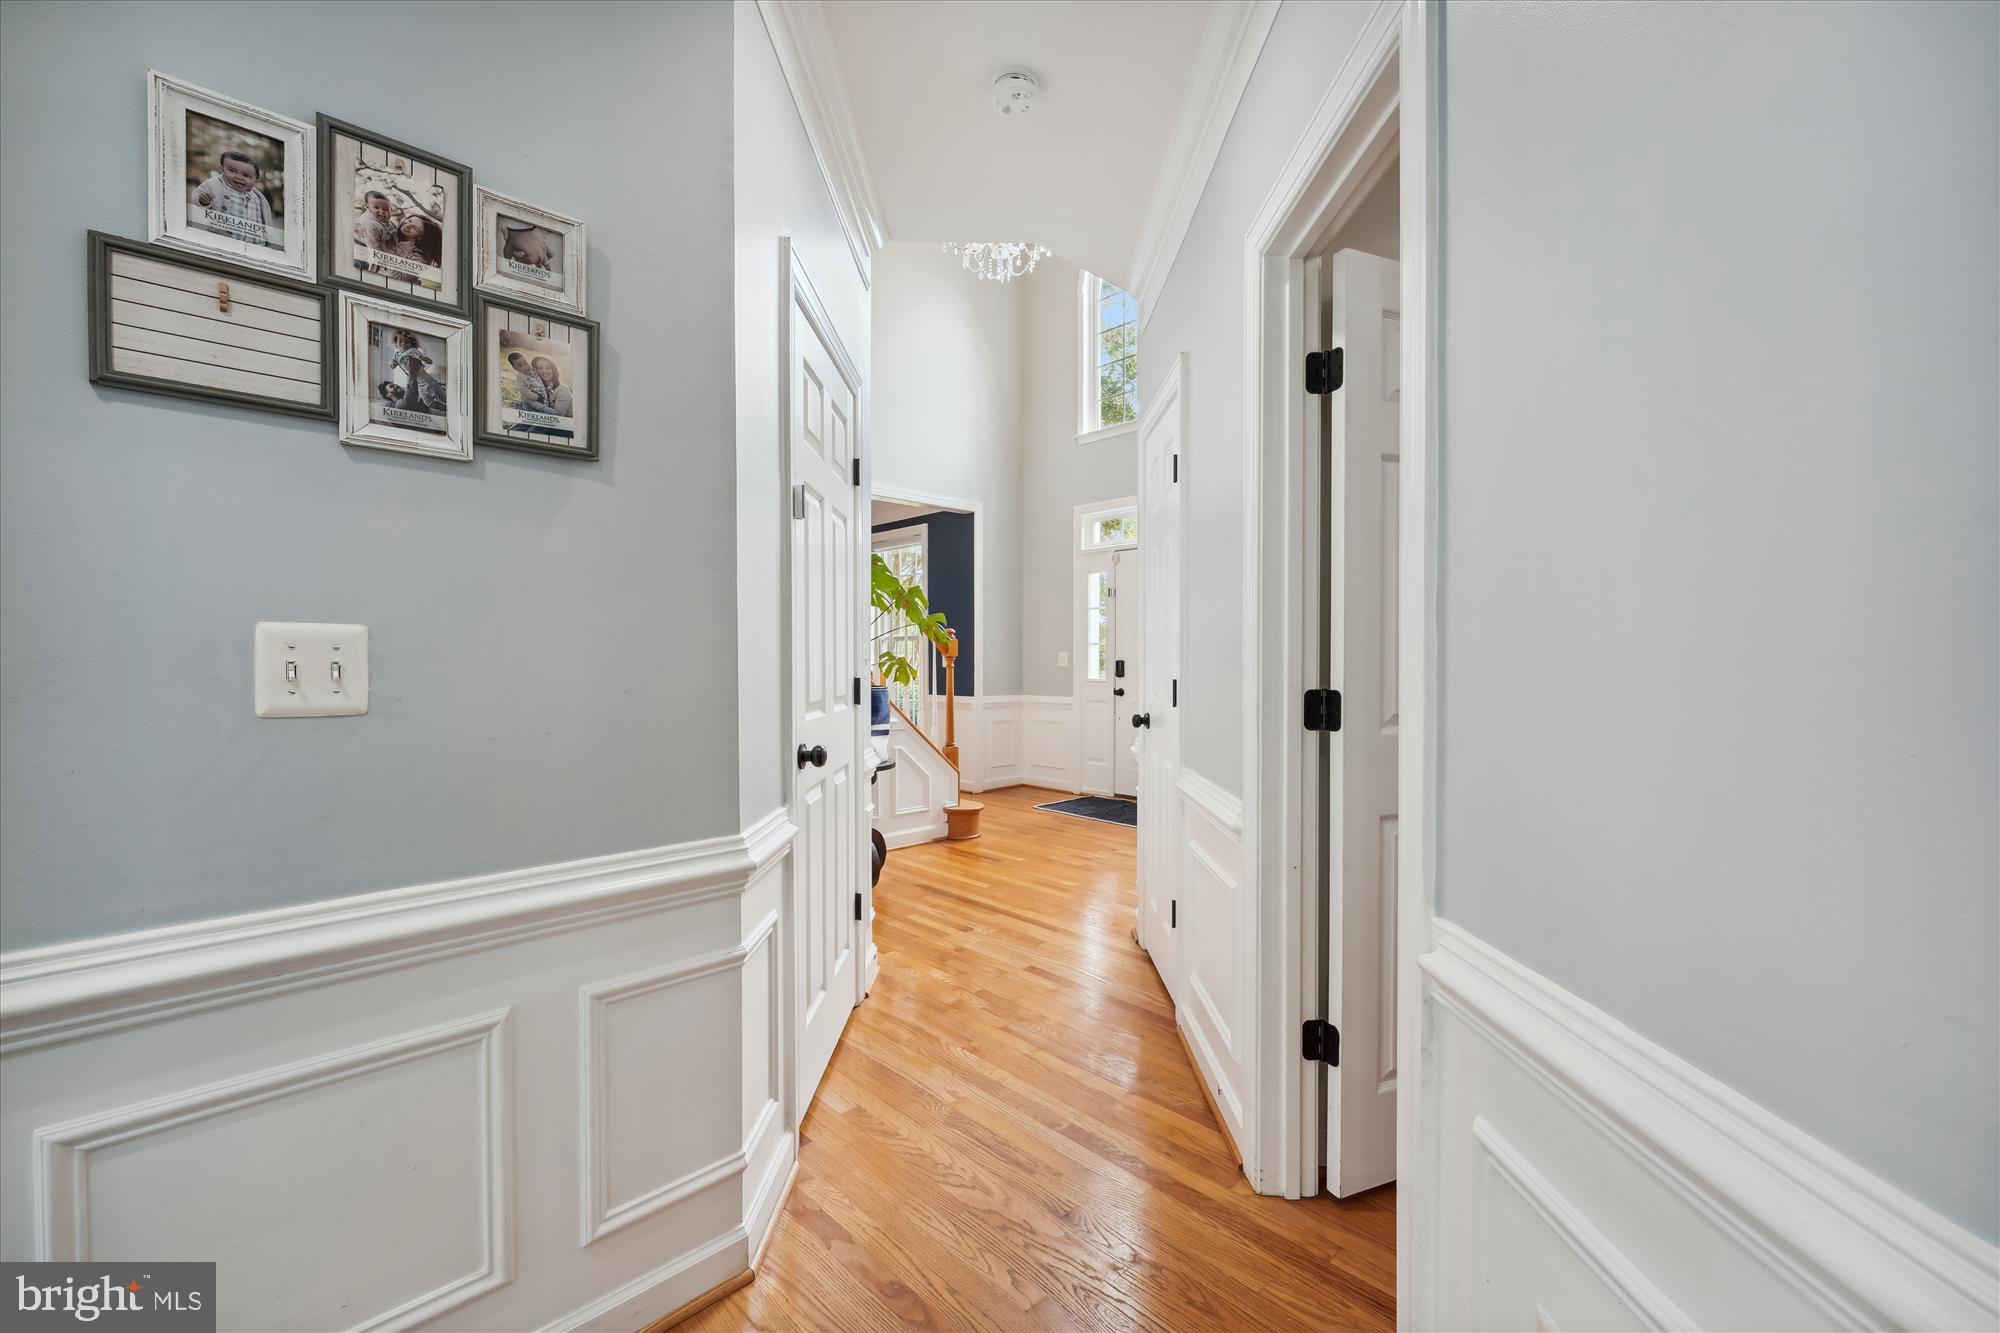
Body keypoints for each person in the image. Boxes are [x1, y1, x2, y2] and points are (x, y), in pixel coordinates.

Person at [192, 149, 275, 246]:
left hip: (254, 245)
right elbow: (196, 197)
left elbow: (265, 219)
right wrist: (203, 201)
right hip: (221, 241)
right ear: (222, 169)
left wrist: (267, 240)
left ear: (256, 180)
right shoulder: (214, 185)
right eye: (232, 171)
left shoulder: (258, 197)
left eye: (247, 176)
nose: (239, 177)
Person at [353, 190, 399, 254]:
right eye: (376, 208)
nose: (382, 211)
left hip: (382, 245)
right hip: (364, 248)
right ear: (367, 208)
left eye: (386, 209)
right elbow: (374, 247)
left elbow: (396, 235)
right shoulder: (369, 223)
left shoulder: (391, 223)